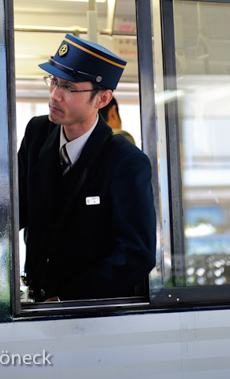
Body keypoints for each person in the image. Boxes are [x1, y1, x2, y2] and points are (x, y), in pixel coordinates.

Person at [18, 33, 156, 302]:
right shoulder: (37, 133)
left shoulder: (125, 161)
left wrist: (67, 299)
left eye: (69, 88)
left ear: (102, 99)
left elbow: (137, 254)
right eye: (54, 82)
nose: (54, 95)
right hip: (35, 303)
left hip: (92, 312)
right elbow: (15, 208)